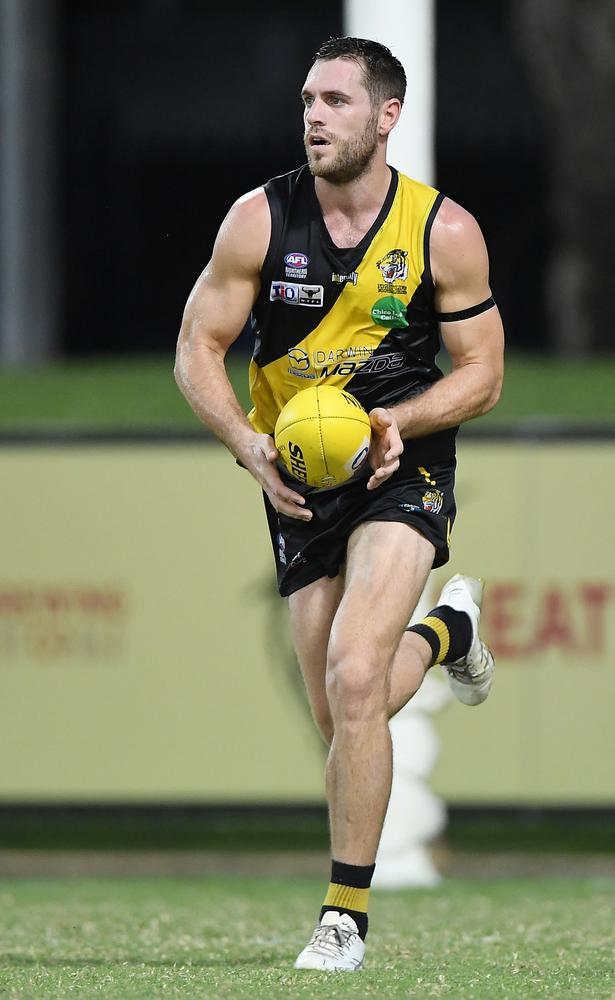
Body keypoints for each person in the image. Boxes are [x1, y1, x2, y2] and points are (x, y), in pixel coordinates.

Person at [175, 36, 504, 973]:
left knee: (359, 682)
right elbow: (196, 350)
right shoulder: (257, 221)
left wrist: (399, 419)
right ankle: (448, 635)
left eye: (336, 101)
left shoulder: (442, 231)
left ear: (387, 116)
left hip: (403, 464)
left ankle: (343, 919)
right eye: (308, 101)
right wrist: (247, 446)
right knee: (339, 714)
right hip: (296, 475)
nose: (314, 117)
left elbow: (483, 375)